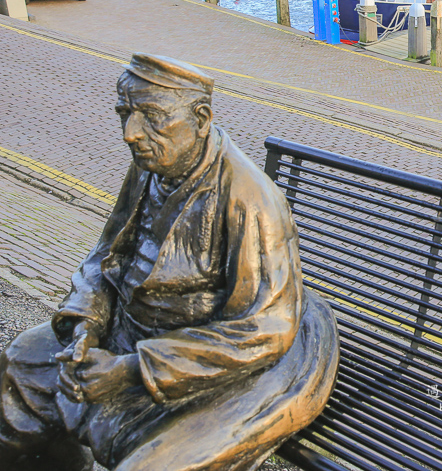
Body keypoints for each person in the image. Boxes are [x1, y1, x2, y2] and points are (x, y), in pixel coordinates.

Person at [0, 54, 339, 471]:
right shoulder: (151, 166)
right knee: (20, 363)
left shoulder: (250, 199)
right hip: (131, 334)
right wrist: (86, 326)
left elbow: (265, 330)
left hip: (219, 363)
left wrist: (130, 370)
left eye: (151, 117)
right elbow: (107, 255)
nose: (130, 134)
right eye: (125, 114)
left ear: (201, 118)